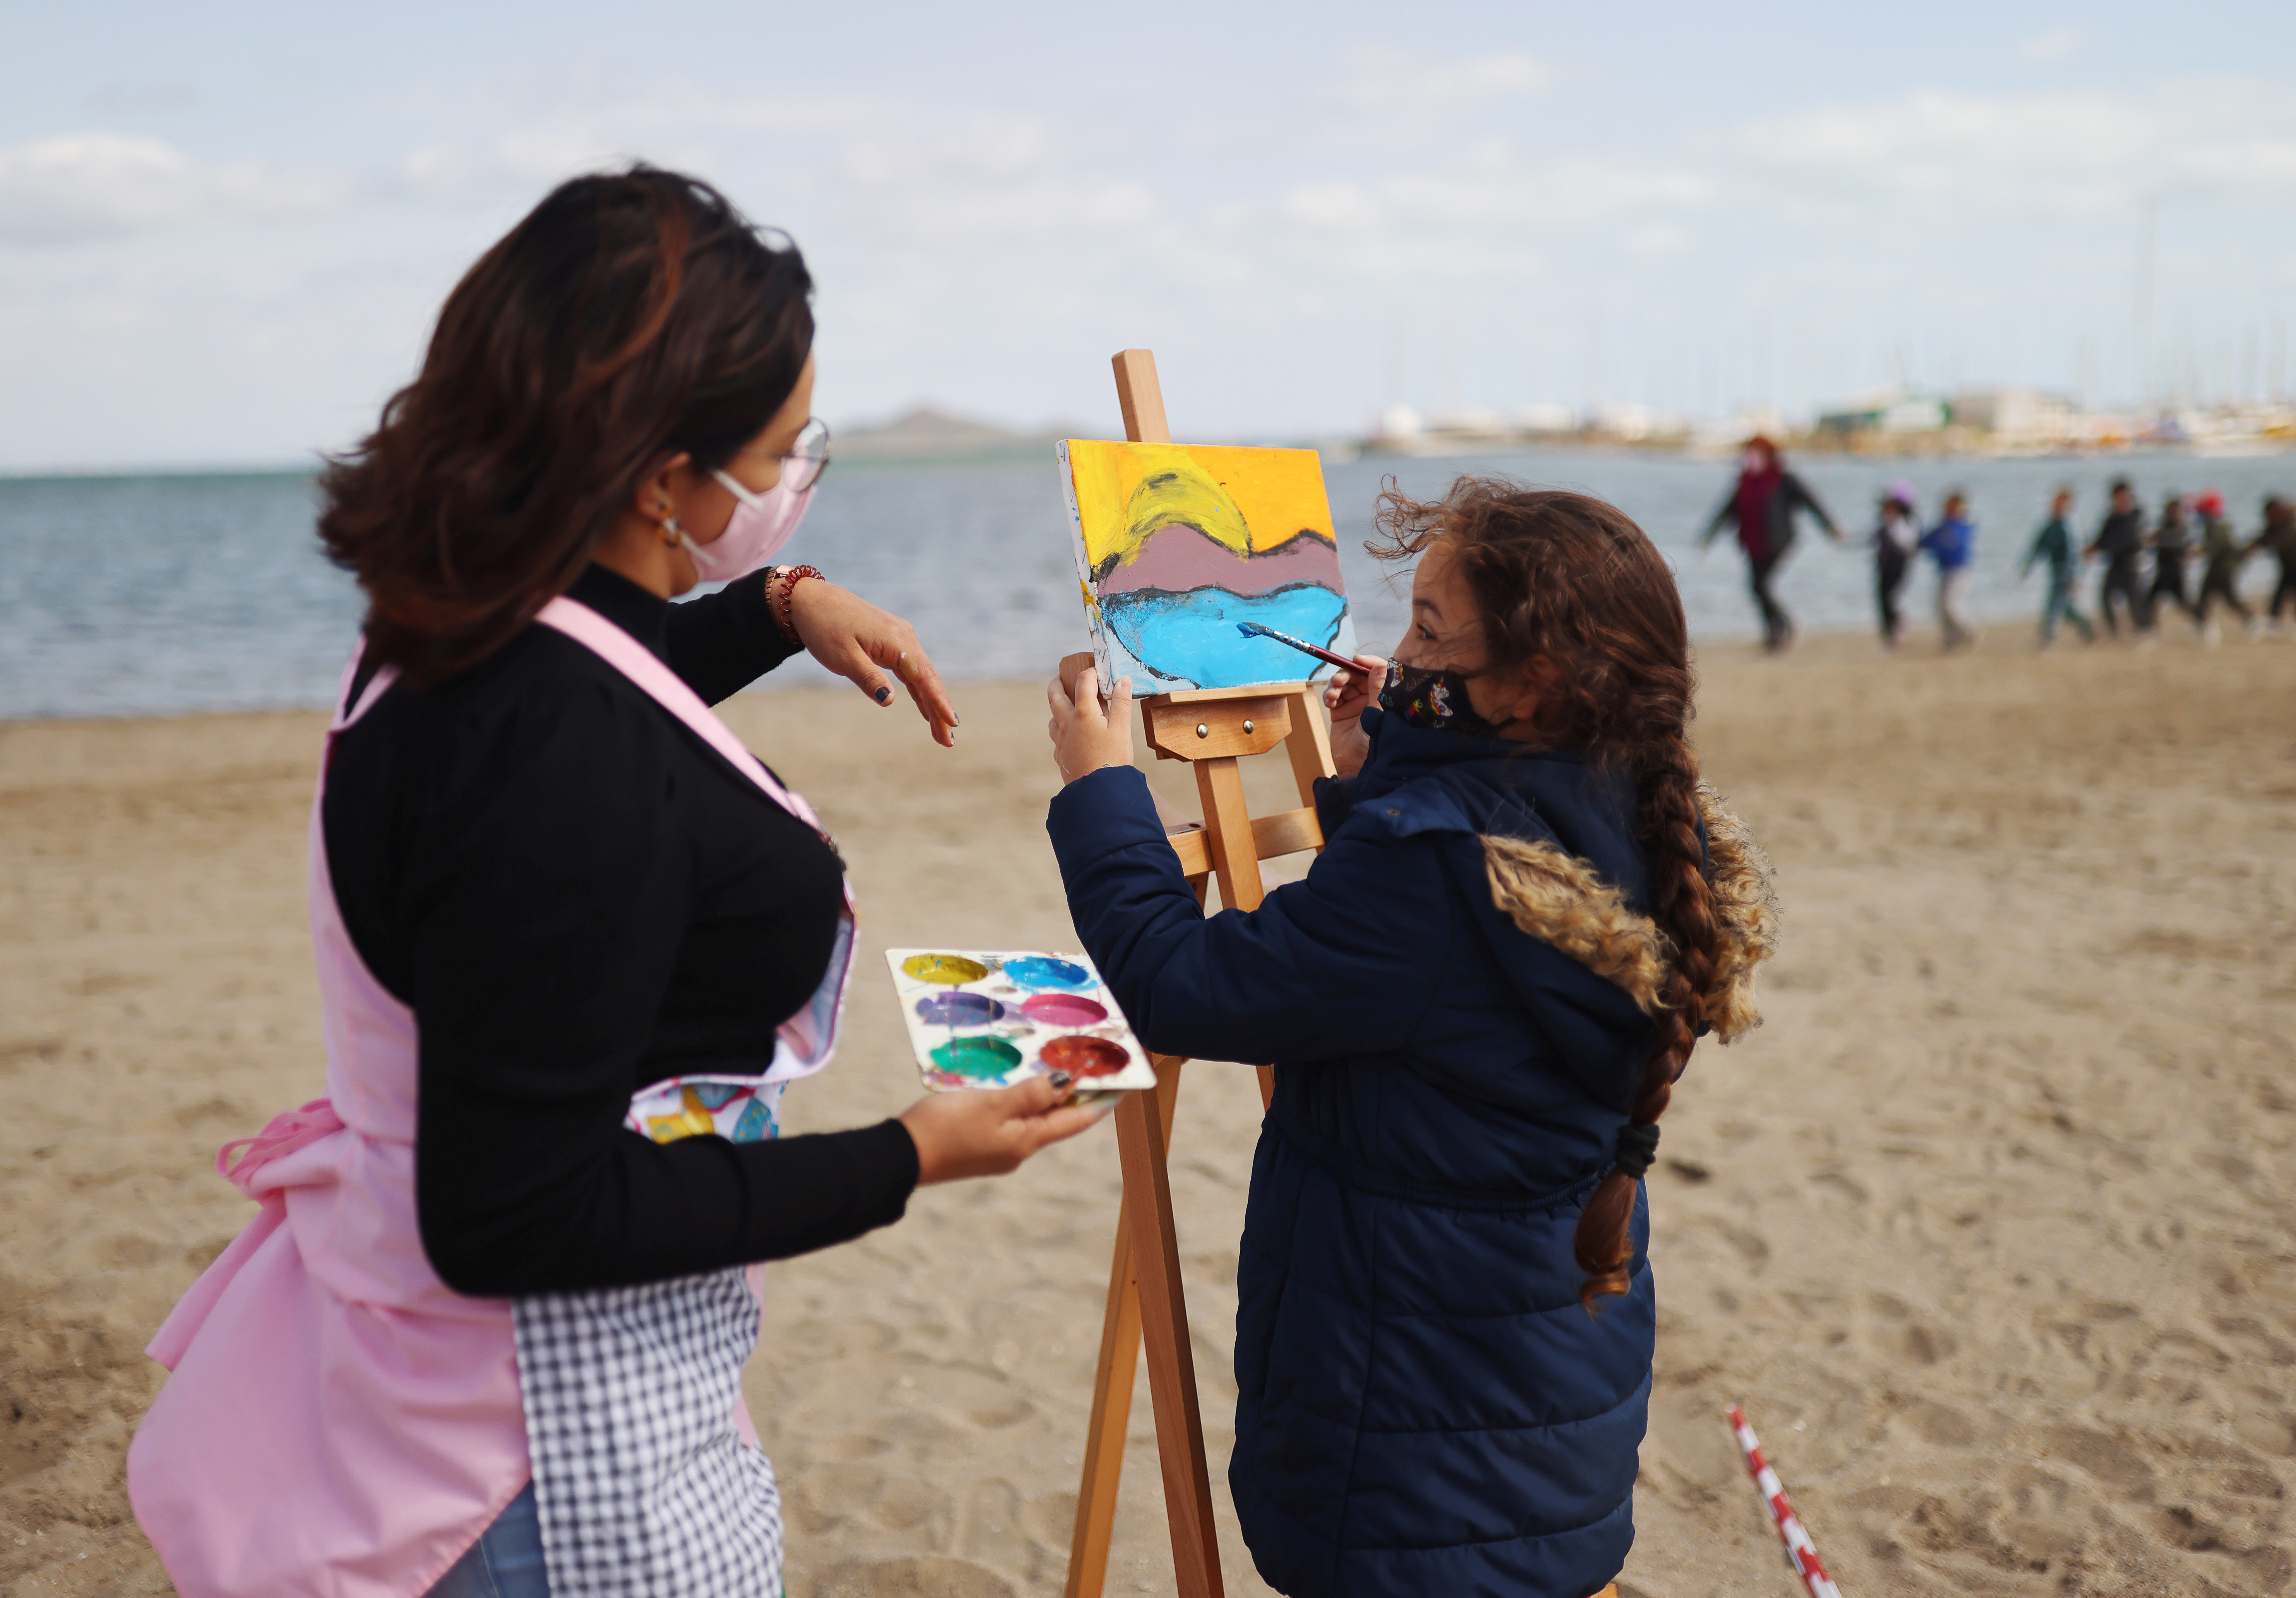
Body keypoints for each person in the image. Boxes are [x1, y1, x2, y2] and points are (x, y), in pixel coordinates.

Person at [126, 168, 1105, 1598]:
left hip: (420, 1362)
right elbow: (512, 1220)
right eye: (775, 456)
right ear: (660, 479)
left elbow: (600, 669)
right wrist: (910, 1154)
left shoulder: (458, 634)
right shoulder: (552, 766)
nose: (788, 485)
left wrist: (772, 609)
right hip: (524, 1456)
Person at [1045, 479, 1779, 1598]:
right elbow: (1429, 972)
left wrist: (1104, 790)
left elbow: (1178, 983)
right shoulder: (1631, 799)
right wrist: (1368, 770)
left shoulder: (1432, 875)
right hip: (1537, 1408)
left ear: (1534, 681)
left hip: (1402, 1450)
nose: (1400, 648)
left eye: (1433, 628)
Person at [1700, 435, 1844, 651]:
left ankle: (1785, 625)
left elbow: (1811, 502)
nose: (1751, 458)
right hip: (1752, 543)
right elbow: (1728, 511)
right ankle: (1774, 633)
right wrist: (1708, 537)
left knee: (1761, 585)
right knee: (1755, 587)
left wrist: (1831, 528)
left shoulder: (1784, 479)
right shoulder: (1745, 481)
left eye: (1756, 453)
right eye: (1749, 453)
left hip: (1778, 542)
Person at [2020, 487, 2095, 648]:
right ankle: (2087, 628)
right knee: (2066, 608)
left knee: (2054, 606)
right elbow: (2038, 547)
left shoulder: (2072, 526)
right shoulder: (2050, 526)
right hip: (2056, 572)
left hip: (2068, 574)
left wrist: (2077, 576)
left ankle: (2049, 639)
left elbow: (2081, 552)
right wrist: (2027, 567)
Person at [2086, 477, 2150, 639]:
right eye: (2118, 497)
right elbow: (2103, 539)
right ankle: (2114, 630)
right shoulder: (2112, 519)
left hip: (2133, 566)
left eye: (2125, 496)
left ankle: (2144, 631)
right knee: (2105, 596)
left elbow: (2131, 540)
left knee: (2135, 601)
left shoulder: (2136, 516)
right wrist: (2093, 549)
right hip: (2116, 566)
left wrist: (2103, 547)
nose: (2121, 500)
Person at [2246, 495, 2296, 640]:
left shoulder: (2291, 524)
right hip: (2287, 566)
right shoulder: (2275, 525)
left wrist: (2259, 547)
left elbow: (2280, 542)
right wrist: (2251, 547)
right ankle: (2274, 622)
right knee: (2280, 593)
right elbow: (2264, 538)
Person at [1918, 489, 1977, 651]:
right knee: (1941, 608)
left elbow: (1949, 546)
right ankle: (1950, 641)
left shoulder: (1963, 525)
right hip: (1945, 571)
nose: (1946, 509)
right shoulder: (1944, 526)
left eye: (1950, 506)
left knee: (1952, 606)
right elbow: (1924, 542)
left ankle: (1968, 630)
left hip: (1961, 570)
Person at [2192, 489, 2252, 645]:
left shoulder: (2215, 526)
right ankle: (2249, 621)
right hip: (2221, 569)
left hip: (2222, 570)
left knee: (2217, 599)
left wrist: (2199, 551)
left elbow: (2216, 546)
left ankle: (2209, 630)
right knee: (2224, 599)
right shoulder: (2221, 524)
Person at [1871, 480, 1920, 649]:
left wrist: (1891, 526)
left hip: (1899, 566)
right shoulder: (1885, 521)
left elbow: (1908, 545)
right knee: (1881, 599)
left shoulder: (1906, 523)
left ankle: (1900, 624)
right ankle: (1890, 634)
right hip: (1884, 566)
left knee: (1890, 599)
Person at [2146, 493, 2201, 634]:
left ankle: (2202, 623)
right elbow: (2151, 543)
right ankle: (2152, 629)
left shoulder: (2184, 528)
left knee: (2185, 603)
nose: (2174, 514)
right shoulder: (2164, 527)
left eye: (2176, 511)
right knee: (2150, 601)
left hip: (2177, 573)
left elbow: (2189, 548)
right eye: (2171, 511)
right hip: (2162, 573)